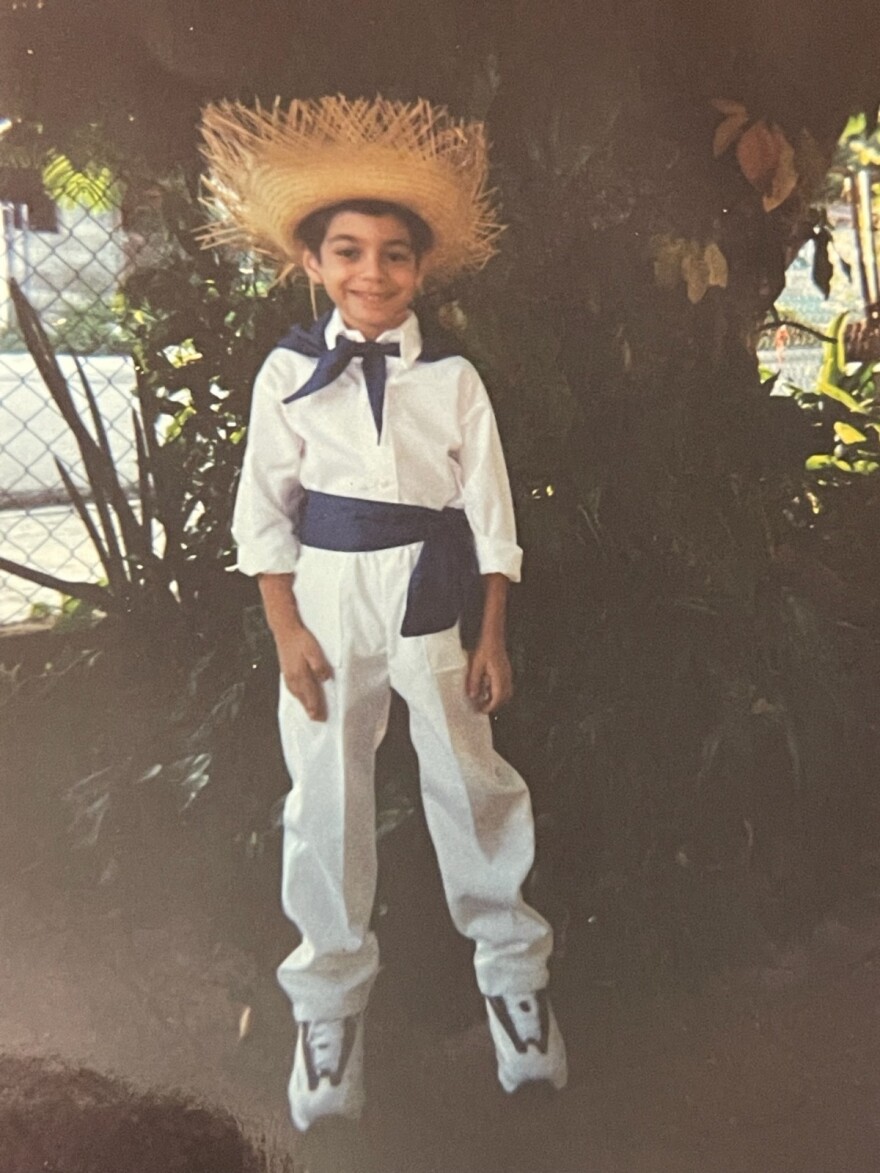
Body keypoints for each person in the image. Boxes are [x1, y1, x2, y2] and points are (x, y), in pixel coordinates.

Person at [199, 95, 567, 1133]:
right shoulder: (285, 374)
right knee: (325, 793)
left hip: (431, 595)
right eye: (348, 251)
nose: (372, 272)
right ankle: (327, 1016)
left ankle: (515, 988)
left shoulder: (451, 380)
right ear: (312, 261)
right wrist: (287, 633)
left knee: (468, 774)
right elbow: (261, 513)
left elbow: (488, 513)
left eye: (394, 254)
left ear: (420, 269)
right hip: (323, 598)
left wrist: (491, 630)